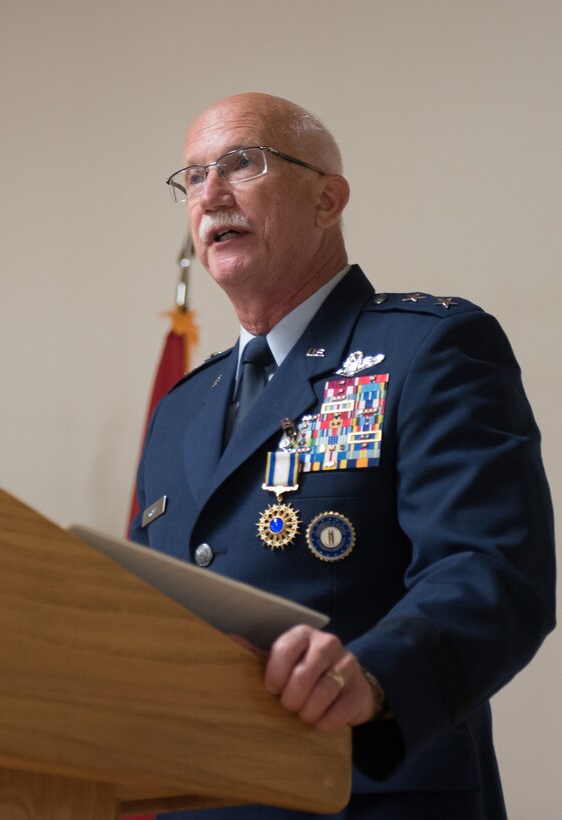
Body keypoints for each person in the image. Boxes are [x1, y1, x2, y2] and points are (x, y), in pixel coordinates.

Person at [130, 92, 556, 819]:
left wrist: (375, 675)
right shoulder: (179, 411)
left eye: (241, 163)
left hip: (367, 792)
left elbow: (491, 568)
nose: (211, 194)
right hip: (200, 797)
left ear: (328, 199)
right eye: (192, 177)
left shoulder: (428, 348)